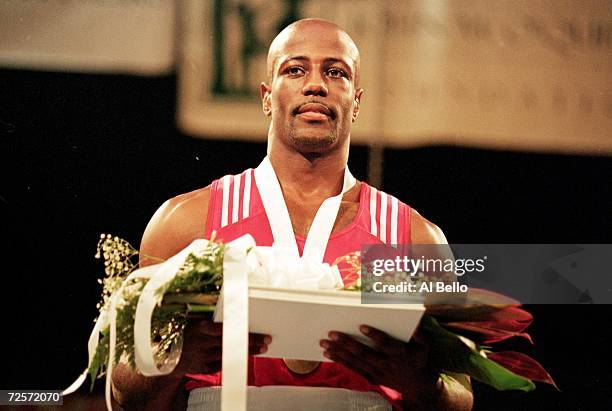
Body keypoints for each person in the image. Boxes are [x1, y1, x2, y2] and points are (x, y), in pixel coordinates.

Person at [112, 18, 473, 411]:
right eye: (295, 69)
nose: (316, 84)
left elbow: (461, 399)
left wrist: (420, 384)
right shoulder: (185, 223)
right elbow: (123, 398)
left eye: (336, 72)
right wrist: (174, 360)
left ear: (356, 102)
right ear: (267, 97)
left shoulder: (415, 239)